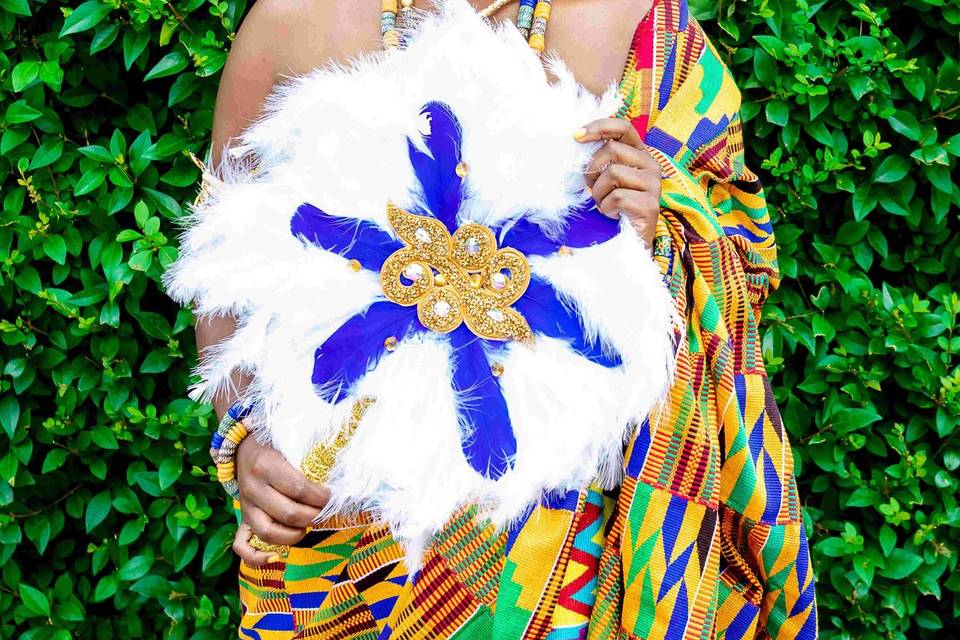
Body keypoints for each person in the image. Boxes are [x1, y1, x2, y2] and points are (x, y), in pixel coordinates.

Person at [195, 0, 818, 638]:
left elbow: (743, 251)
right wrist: (243, 439)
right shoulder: (292, 21)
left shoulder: (641, 25)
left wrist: (657, 229)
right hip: (343, 545)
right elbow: (217, 260)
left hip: (572, 556)